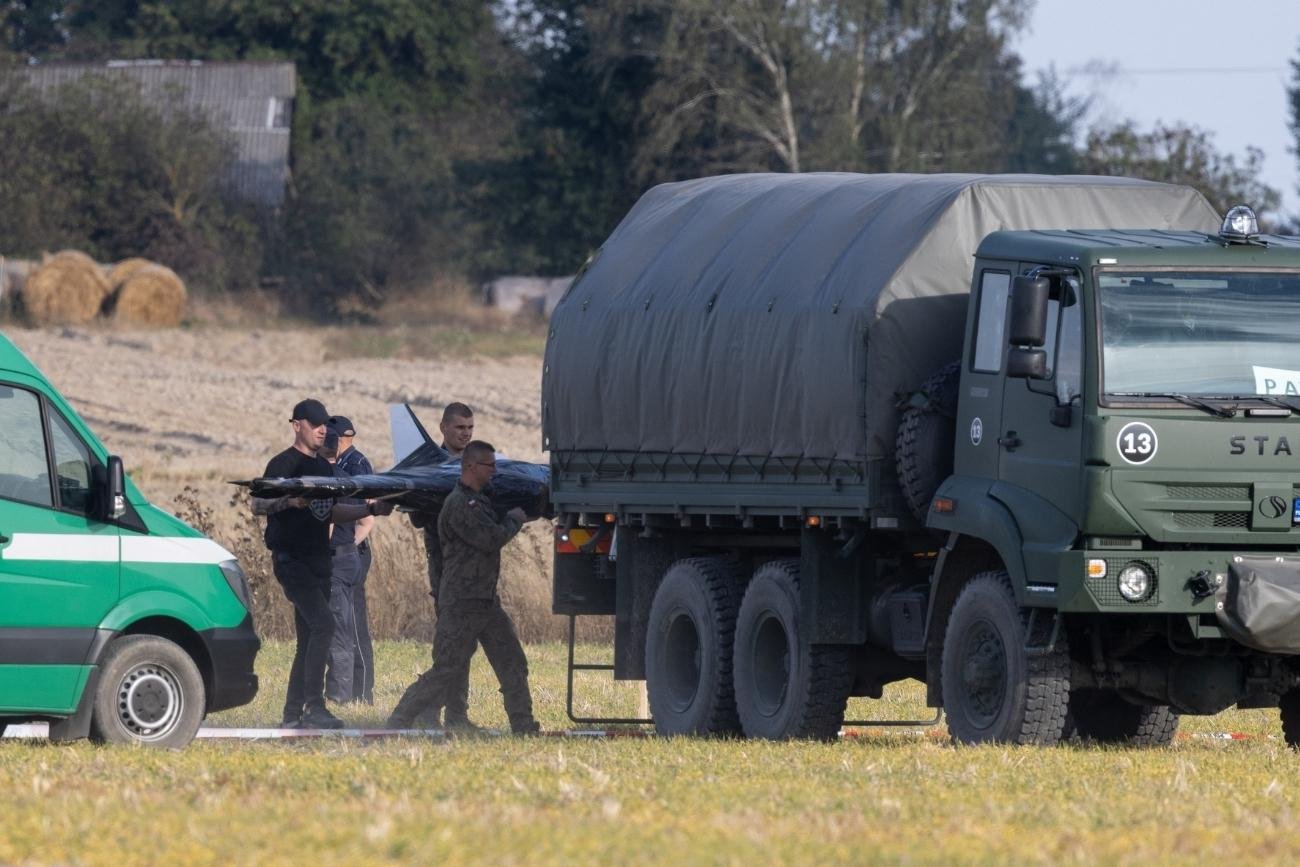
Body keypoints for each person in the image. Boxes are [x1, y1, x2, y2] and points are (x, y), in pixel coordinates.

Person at [251, 398, 393, 729]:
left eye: (324, 425)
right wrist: (290, 500)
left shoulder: (326, 470)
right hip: (292, 561)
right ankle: (314, 707)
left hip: (320, 561)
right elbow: (258, 504)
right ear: (296, 425)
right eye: (315, 424)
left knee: (308, 638)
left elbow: (331, 513)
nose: (322, 430)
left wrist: (370, 510)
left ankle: (292, 714)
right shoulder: (282, 465)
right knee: (324, 625)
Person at [386, 439, 542, 734]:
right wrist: (514, 520)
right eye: (489, 465)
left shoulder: (479, 501)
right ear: (471, 466)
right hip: (462, 602)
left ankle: (523, 726)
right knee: (446, 669)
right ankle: (398, 722)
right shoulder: (461, 504)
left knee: (512, 663)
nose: (495, 471)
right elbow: (490, 538)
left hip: (484, 601)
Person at [406, 402, 478, 728]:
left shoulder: (478, 465)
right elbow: (417, 516)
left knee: (463, 640)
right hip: (445, 563)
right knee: (451, 640)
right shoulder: (430, 467)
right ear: (444, 429)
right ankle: (433, 711)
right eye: (460, 428)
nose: (465, 434)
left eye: (470, 428)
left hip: (473, 564)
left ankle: (453, 713)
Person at [318, 422, 375, 705]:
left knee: (346, 630)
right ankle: (352, 695)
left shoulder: (350, 468)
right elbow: (367, 516)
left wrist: (343, 545)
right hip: (348, 554)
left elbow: (328, 524)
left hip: (341, 558)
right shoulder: (343, 473)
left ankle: (354, 696)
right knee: (345, 628)